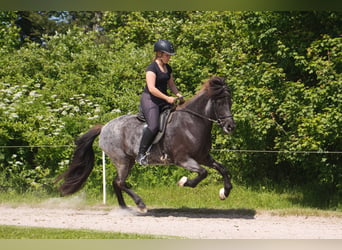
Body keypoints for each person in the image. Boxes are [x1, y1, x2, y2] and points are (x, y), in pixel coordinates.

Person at [136, 39, 183, 165]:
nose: (169, 58)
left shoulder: (168, 68)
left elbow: (171, 84)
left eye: (169, 55)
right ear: (159, 54)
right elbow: (151, 88)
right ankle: (141, 154)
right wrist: (168, 98)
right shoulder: (151, 68)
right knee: (154, 126)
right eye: (167, 55)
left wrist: (178, 94)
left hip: (162, 99)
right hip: (150, 100)